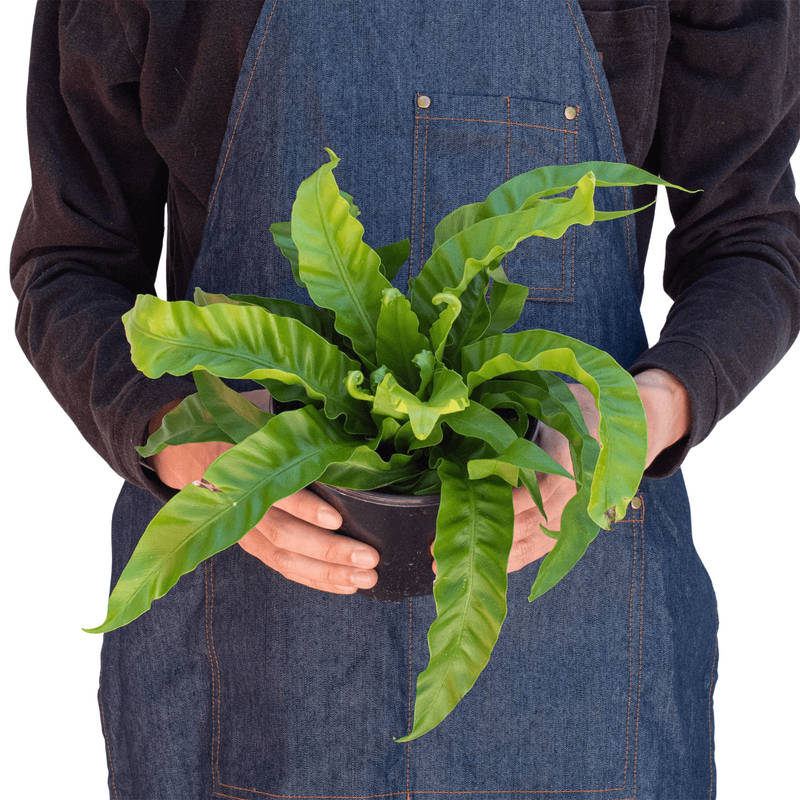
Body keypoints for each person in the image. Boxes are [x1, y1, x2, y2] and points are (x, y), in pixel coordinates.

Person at [11, 1, 799, 798]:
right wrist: (176, 431)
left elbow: (753, 242)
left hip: (583, 639)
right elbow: (69, 263)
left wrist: (641, 413)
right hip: (255, 641)